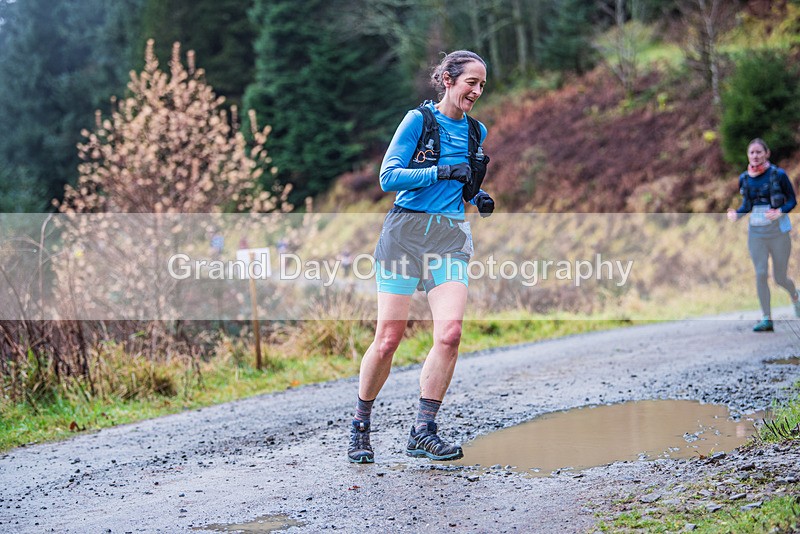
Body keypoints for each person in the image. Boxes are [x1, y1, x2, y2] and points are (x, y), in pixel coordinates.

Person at [347, 50, 495, 464]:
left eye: (482, 85)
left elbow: (462, 187)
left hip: (449, 236)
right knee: (388, 339)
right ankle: (360, 425)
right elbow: (389, 177)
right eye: (471, 82)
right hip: (405, 235)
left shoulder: (475, 132)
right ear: (448, 79)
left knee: (449, 334)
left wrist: (476, 195)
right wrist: (441, 173)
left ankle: (423, 431)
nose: (477, 91)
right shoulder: (419, 122)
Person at [727, 138, 800, 332]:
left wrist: (780, 211)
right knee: (760, 273)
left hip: (778, 233)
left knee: (779, 277)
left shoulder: (778, 175)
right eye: (752, 152)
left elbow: (792, 200)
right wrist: (737, 215)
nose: (755, 156)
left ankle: (795, 295)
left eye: (759, 152)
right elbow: (747, 205)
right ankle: (766, 318)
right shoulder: (744, 178)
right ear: (747, 155)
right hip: (756, 233)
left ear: (767, 153)